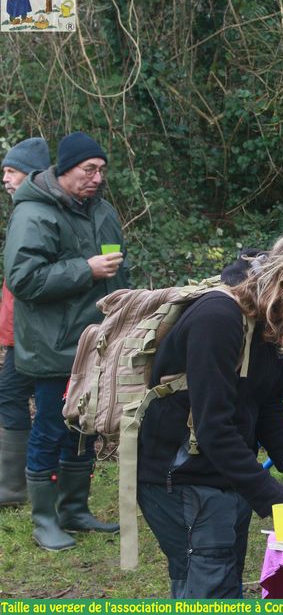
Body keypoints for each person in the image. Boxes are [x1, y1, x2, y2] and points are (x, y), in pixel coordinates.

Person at [137, 223, 283, 597]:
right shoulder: (217, 319)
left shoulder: (280, 319)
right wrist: (280, 500)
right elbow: (213, 428)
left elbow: (267, 404)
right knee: (209, 590)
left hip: (229, 473)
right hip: (183, 479)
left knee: (224, 581)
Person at [5, 131, 129, 550]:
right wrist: (85, 269)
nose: (97, 178)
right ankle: (44, 520)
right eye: (88, 170)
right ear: (65, 169)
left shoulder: (102, 211)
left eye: (101, 170)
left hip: (98, 341)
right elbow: (23, 279)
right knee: (51, 426)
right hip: (52, 344)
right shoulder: (33, 213)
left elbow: (120, 270)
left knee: (86, 426)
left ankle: (74, 509)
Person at [0, 137, 50, 507]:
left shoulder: (37, 213)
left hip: (34, 332)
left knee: (15, 395)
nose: (5, 178)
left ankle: (16, 486)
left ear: (32, 174)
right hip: (19, 329)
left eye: (12, 171)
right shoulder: (24, 210)